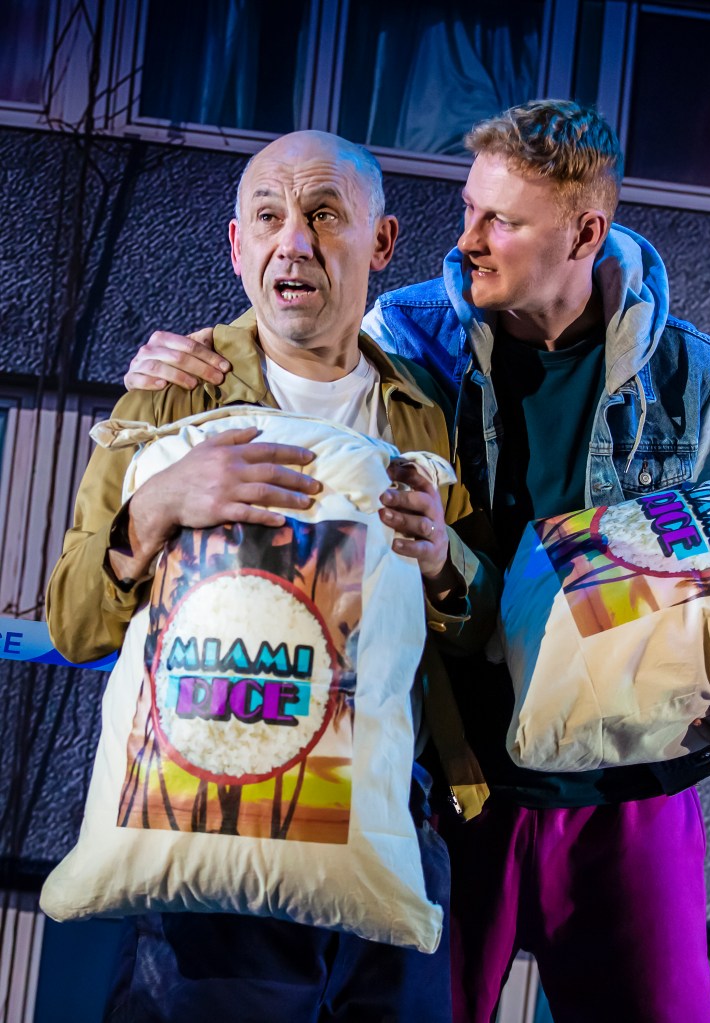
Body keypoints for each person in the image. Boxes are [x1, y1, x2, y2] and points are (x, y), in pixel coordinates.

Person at [124, 102, 710, 1023]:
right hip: (457, 777)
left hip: (625, 786)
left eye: (501, 219)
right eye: (468, 208)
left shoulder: (687, 372)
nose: (466, 240)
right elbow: (301, 357)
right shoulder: (408, 332)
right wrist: (187, 360)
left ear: (585, 231)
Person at [46, 129, 499, 1023]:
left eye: (324, 215)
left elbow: (475, 626)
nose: (293, 239)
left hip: (382, 827)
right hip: (208, 844)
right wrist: (159, 505)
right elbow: (72, 619)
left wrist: (448, 566)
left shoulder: (424, 414)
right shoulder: (174, 394)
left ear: (380, 244)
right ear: (238, 245)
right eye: (268, 216)